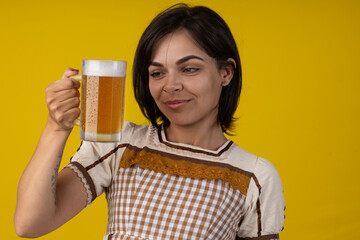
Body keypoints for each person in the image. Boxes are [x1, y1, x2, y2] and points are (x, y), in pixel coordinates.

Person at [14, 3, 285, 240]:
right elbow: (29, 224)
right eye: (157, 72)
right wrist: (56, 127)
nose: (171, 85)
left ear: (226, 73)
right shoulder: (120, 145)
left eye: (189, 69)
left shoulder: (255, 177)